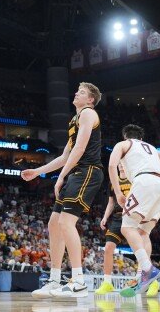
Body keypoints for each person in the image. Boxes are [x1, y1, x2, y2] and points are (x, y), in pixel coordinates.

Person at [23, 82, 104, 298]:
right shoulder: (74, 120)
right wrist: (38, 171)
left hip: (88, 170)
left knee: (66, 222)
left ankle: (79, 281)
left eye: (83, 92)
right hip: (76, 172)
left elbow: (79, 149)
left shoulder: (88, 114)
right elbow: (65, 156)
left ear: (90, 100)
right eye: (78, 90)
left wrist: (60, 177)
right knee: (54, 224)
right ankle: (54, 279)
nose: (77, 93)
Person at [108, 124, 160, 297]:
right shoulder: (151, 148)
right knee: (143, 232)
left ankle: (148, 269)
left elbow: (112, 166)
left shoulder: (123, 144)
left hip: (143, 182)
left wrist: (118, 192)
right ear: (141, 138)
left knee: (127, 227)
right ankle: (142, 275)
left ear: (126, 136)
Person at [95, 165, 160, 297]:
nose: (121, 165)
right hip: (118, 217)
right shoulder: (113, 182)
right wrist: (105, 217)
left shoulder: (135, 178)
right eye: (119, 163)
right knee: (108, 248)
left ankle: (150, 280)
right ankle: (107, 282)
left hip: (134, 215)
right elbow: (111, 202)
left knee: (139, 247)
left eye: (123, 162)